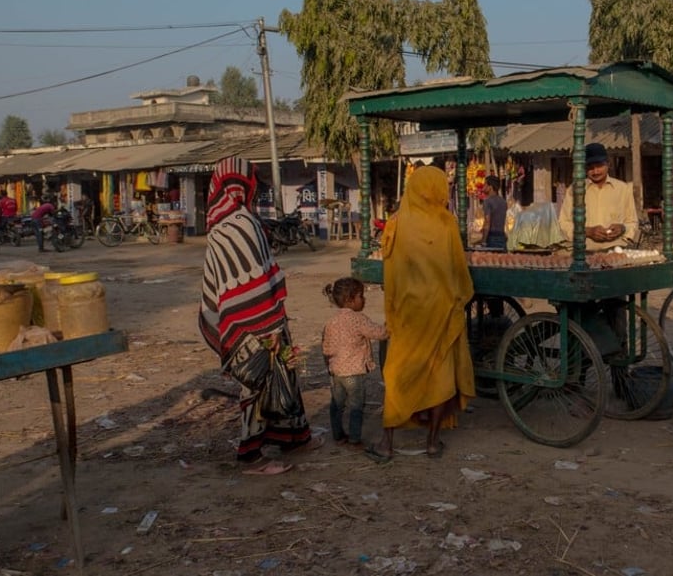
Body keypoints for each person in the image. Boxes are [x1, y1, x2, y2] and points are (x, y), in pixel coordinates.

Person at [198, 156, 312, 475]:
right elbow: (251, 282)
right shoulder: (239, 224)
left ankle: (293, 437)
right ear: (242, 185)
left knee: (282, 375)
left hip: (254, 317)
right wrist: (269, 328)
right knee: (258, 381)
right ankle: (250, 454)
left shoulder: (224, 224)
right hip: (256, 323)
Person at [366, 166, 475, 463]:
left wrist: (392, 309)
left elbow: (390, 273)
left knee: (398, 371)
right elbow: (458, 268)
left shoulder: (396, 223)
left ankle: (386, 442)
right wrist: (460, 296)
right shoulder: (446, 222)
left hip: (407, 312)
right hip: (441, 308)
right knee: (439, 373)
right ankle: (432, 441)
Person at [321, 277, 388, 448]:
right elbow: (379, 333)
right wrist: (390, 327)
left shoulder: (331, 321)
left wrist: (331, 366)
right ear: (350, 299)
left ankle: (338, 435)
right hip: (354, 372)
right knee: (356, 406)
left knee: (337, 404)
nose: (363, 299)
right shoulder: (358, 319)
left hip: (336, 371)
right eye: (361, 296)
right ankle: (354, 438)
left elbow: (326, 348)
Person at [558, 142, 638, 252]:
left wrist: (622, 228)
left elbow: (632, 222)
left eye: (599, 166)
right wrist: (587, 231)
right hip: (583, 250)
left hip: (616, 249)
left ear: (608, 164)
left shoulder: (623, 189)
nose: (595, 171)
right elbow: (563, 223)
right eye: (590, 168)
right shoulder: (575, 190)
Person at [480, 175, 507, 249]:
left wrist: (483, 241)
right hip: (502, 236)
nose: (483, 187)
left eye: (485, 184)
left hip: (492, 238)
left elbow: (487, 222)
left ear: (490, 187)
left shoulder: (487, 201)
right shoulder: (503, 202)